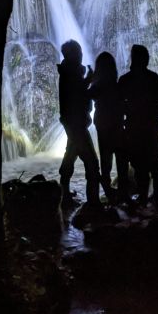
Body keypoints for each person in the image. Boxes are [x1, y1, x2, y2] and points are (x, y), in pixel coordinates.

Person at [118, 44, 158, 206]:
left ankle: (144, 196)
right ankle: (157, 196)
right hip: (151, 125)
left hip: (134, 126)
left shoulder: (125, 80)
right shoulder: (154, 78)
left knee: (139, 164)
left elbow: (118, 104)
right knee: (154, 162)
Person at [57, 40, 101, 205]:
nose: (82, 55)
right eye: (79, 52)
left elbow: (77, 93)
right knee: (92, 162)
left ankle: (64, 194)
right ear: (72, 55)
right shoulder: (71, 74)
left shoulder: (69, 73)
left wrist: (87, 80)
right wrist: (90, 80)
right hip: (76, 123)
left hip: (72, 122)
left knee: (71, 155)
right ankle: (93, 202)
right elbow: (79, 96)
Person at [89, 51, 129, 203]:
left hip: (102, 124)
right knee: (122, 160)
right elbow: (124, 104)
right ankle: (123, 192)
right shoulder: (117, 85)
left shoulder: (97, 86)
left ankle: (107, 191)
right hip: (117, 125)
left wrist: (89, 79)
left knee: (105, 161)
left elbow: (86, 96)